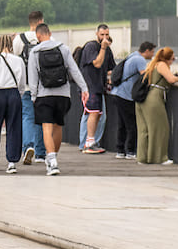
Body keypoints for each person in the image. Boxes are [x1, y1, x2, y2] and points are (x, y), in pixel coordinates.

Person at [27, 23, 85, 176]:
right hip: (63, 94)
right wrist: (84, 88)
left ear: (38, 36)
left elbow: (32, 78)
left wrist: (34, 96)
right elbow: (74, 70)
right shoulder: (63, 49)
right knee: (58, 126)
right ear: (50, 33)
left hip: (44, 94)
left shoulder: (34, 52)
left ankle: (52, 162)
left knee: (47, 127)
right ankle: (53, 157)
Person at [0, 34, 24, 173]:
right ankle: (12, 161)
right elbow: (22, 82)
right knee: (14, 127)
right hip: (14, 93)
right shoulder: (18, 60)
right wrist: (19, 93)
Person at [136, 46, 178, 165]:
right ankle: (159, 158)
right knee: (161, 128)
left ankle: (143, 158)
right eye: (173, 59)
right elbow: (171, 79)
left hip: (143, 99)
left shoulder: (152, 64)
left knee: (144, 129)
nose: (173, 61)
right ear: (167, 59)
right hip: (154, 99)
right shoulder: (162, 65)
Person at [12, 10, 47, 165]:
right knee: (42, 117)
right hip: (43, 85)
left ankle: (28, 146)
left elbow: (14, 61)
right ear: (41, 21)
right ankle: (41, 153)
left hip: (25, 84)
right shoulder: (47, 37)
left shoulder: (19, 38)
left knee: (27, 116)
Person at [110, 41, 152, 158]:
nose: (153, 54)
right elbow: (145, 76)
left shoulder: (132, 56)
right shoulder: (140, 60)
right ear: (147, 50)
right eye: (152, 51)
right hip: (126, 95)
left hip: (117, 93)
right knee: (131, 124)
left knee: (122, 123)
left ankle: (120, 150)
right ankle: (130, 151)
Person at [78, 24, 114, 154]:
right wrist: (103, 48)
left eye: (107, 35)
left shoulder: (107, 50)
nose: (105, 37)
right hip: (89, 86)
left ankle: (88, 142)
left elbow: (111, 68)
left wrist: (110, 78)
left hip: (99, 86)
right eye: (102, 34)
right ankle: (88, 142)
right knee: (92, 113)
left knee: (97, 115)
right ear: (97, 34)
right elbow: (97, 63)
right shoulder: (91, 47)